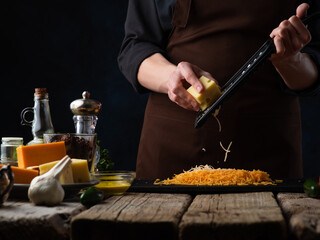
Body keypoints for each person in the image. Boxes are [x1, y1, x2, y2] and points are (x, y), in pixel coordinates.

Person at [118, 0, 320, 179]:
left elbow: (315, 66)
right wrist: (170, 76)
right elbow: (135, 47)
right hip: (171, 151)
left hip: (267, 152)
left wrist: (290, 61)